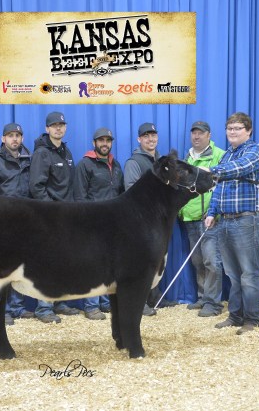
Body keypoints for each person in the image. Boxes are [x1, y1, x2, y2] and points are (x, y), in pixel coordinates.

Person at [204, 112, 259, 335]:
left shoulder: (255, 151)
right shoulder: (226, 156)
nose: (232, 132)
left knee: (248, 273)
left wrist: (210, 170)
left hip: (247, 219)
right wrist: (212, 212)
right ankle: (235, 315)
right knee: (233, 274)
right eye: (230, 128)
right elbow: (218, 188)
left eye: (238, 128)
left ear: (248, 131)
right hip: (226, 220)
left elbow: (239, 168)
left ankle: (253, 319)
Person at [0, 122, 35, 325]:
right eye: (10, 136)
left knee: (19, 267)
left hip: (24, 223)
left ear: (22, 138)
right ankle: (1, 311)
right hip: (2, 224)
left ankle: (17, 307)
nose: (15, 139)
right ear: (3, 139)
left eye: (18, 136)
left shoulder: (29, 161)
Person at [29, 111, 81, 323]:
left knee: (63, 262)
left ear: (65, 127)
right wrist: (51, 211)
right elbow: (36, 186)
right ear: (47, 128)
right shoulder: (42, 153)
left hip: (66, 216)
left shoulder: (66, 152)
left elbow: (70, 185)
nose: (58, 128)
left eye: (61, 125)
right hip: (49, 217)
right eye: (54, 125)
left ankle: (59, 302)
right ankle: (44, 308)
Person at [123, 122, 177, 316]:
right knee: (142, 262)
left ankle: (154, 297)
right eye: (146, 136)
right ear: (139, 139)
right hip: (142, 220)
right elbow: (131, 189)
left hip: (160, 219)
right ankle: (139, 301)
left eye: (153, 135)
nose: (150, 139)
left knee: (157, 259)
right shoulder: (134, 162)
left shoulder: (162, 162)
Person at [73, 127, 124, 320]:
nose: (105, 144)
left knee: (110, 265)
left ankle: (105, 302)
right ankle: (91, 306)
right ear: (94, 143)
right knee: (93, 266)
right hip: (93, 223)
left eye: (108, 141)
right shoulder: (85, 164)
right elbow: (79, 196)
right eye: (101, 140)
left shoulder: (116, 165)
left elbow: (120, 194)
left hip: (113, 224)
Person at [178, 121, 225, 317]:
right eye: (194, 133)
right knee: (198, 261)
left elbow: (223, 187)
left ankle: (213, 303)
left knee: (212, 261)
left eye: (201, 133)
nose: (196, 136)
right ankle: (203, 297)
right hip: (190, 217)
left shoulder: (219, 155)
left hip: (209, 218)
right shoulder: (187, 158)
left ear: (209, 135)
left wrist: (216, 212)